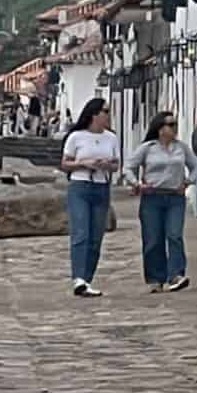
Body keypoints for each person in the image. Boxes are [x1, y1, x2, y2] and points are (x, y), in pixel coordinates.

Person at [126, 111, 197, 292]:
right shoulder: (148, 148)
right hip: (152, 197)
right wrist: (137, 184)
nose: (174, 128)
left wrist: (188, 182)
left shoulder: (181, 148)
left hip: (175, 197)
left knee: (174, 235)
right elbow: (128, 167)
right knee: (153, 239)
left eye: (175, 124)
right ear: (160, 129)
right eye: (170, 124)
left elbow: (196, 167)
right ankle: (155, 278)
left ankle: (176, 275)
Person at [61, 97, 120, 297]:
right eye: (105, 111)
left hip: (101, 186)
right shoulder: (76, 137)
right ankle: (78, 277)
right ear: (94, 114)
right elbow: (65, 164)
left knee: (96, 236)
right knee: (81, 233)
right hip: (80, 184)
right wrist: (84, 163)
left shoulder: (111, 138)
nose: (108, 115)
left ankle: (86, 279)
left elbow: (116, 165)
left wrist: (105, 164)